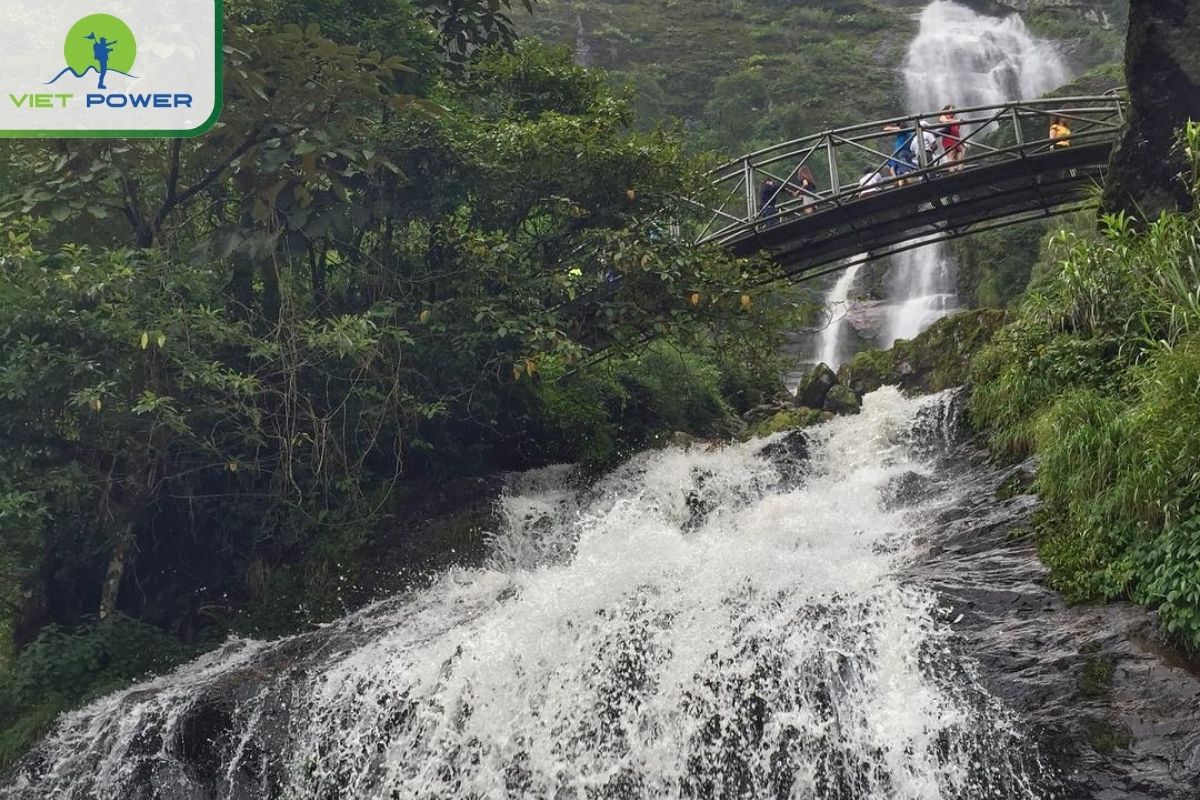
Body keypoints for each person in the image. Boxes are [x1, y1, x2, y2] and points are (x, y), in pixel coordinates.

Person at [939, 105, 965, 170]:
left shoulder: (954, 118)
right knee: (951, 154)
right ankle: (952, 171)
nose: (953, 112)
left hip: (956, 139)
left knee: (960, 154)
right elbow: (944, 121)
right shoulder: (943, 116)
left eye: (954, 110)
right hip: (948, 138)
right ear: (946, 110)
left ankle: (960, 170)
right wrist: (956, 121)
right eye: (951, 110)